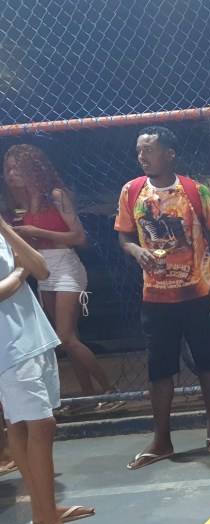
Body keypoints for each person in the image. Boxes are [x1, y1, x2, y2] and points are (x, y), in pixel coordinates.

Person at [114, 126, 210, 469]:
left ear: (170, 154)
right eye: (139, 150)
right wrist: (136, 250)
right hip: (156, 297)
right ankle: (162, 441)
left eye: (149, 150)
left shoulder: (195, 191)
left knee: (208, 363)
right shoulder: (131, 191)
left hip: (198, 292)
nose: (143, 156)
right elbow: (124, 237)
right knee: (159, 369)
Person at [3, 144, 124, 413]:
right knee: (69, 339)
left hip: (66, 266)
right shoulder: (22, 203)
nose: (11, 174)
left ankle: (111, 391)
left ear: (33, 168)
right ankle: (87, 397)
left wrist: (36, 231)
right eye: (8, 169)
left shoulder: (56, 195)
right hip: (43, 270)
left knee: (65, 337)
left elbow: (79, 237)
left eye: (16, 167)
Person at [0, 217, 95, 524]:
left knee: (20, 426)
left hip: (33, 336)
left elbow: (41, 269)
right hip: (8, 348)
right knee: (41, 426)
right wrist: (20, 272)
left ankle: (44, 512)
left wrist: (5, 228)